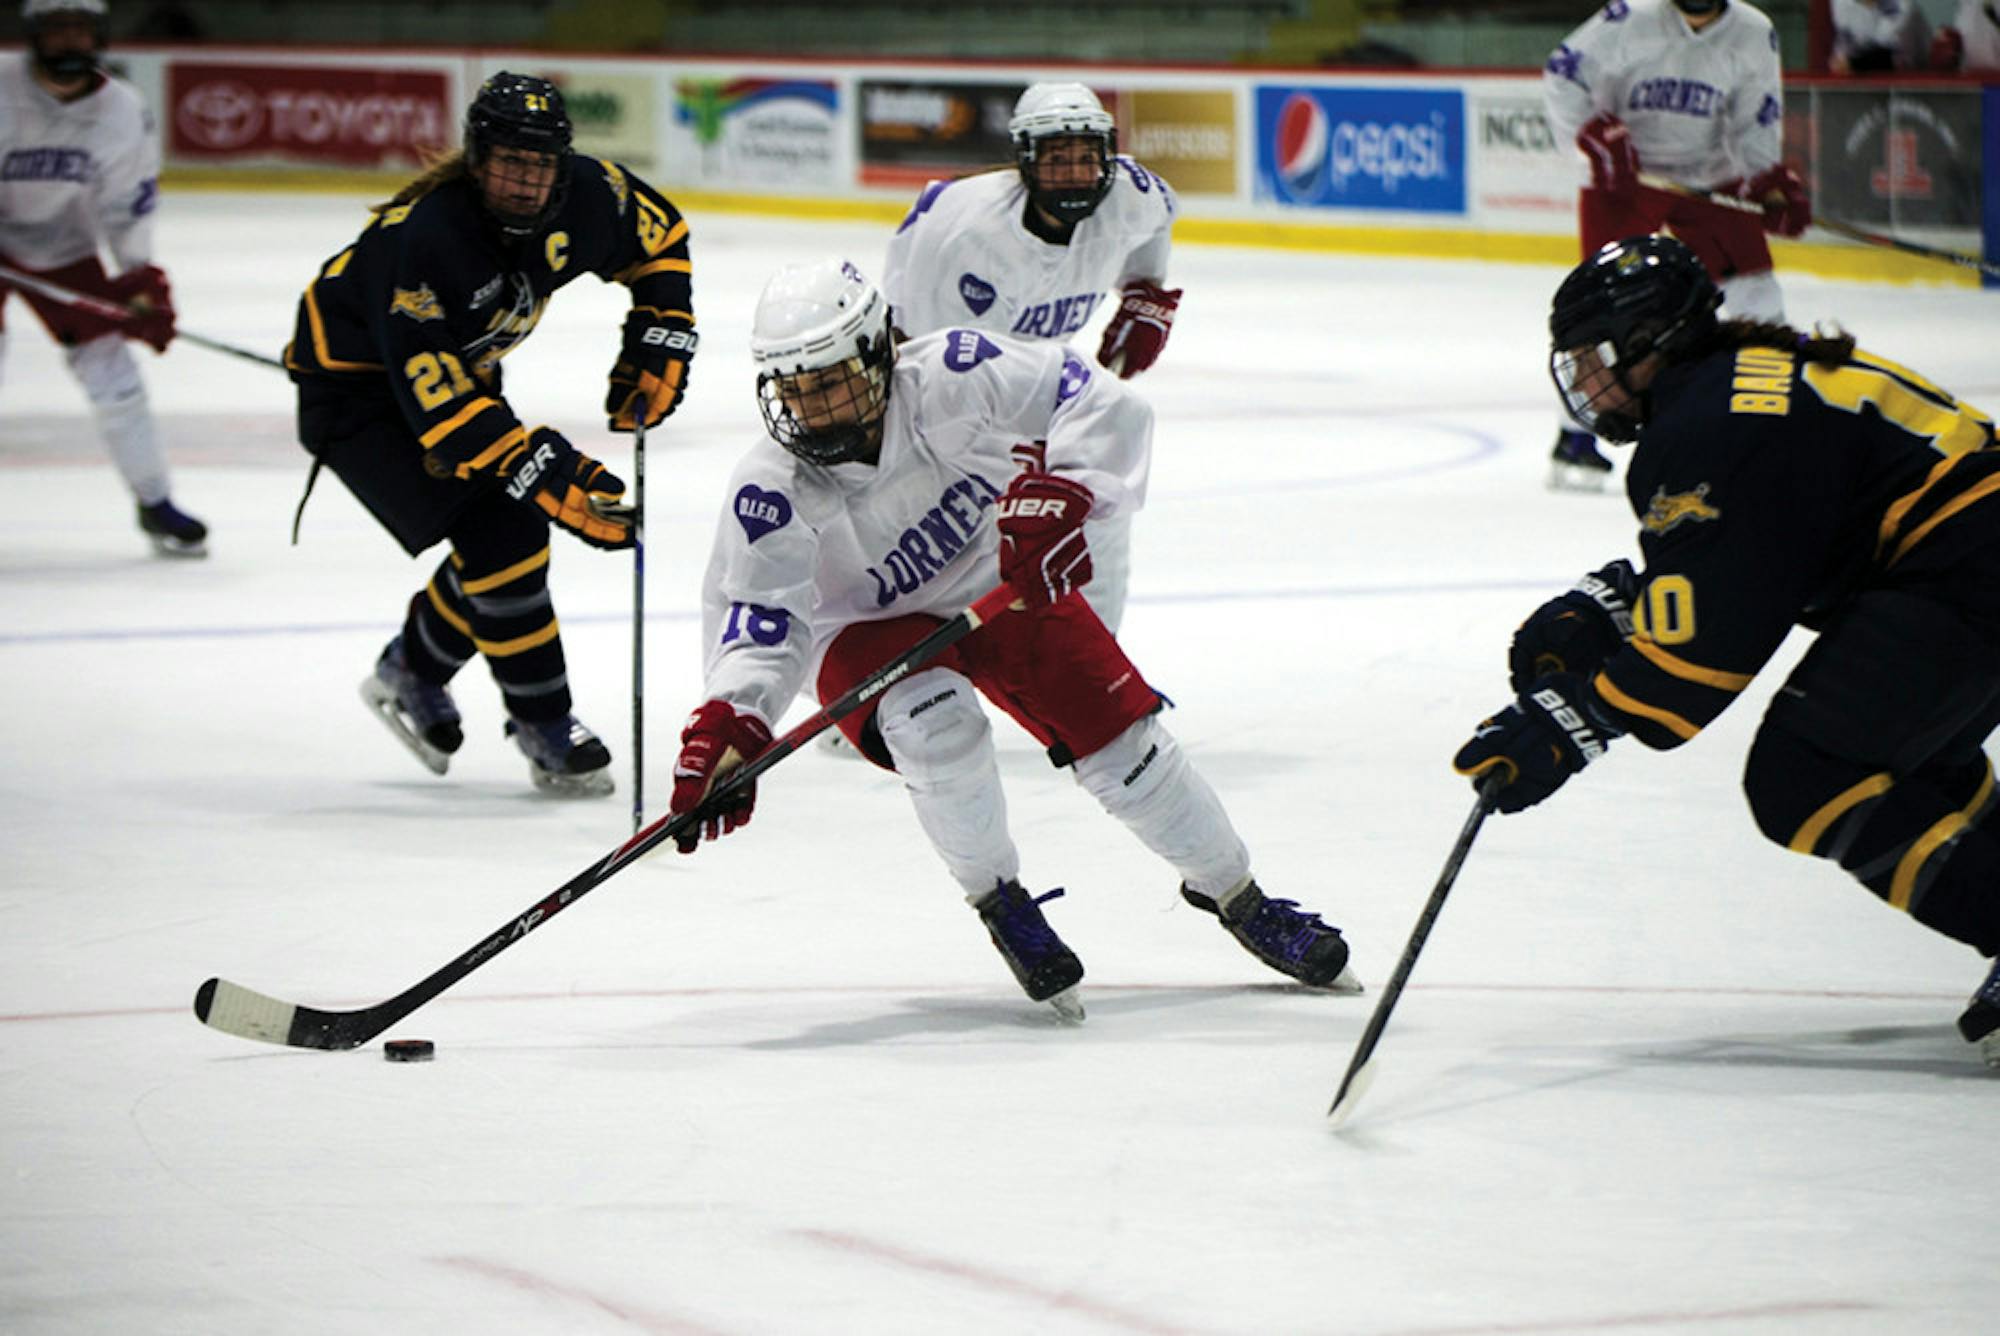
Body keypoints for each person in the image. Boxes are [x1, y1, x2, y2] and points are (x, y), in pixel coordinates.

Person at [665, 257, 1353, 1018]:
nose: (812, 408)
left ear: (877, 353)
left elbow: (1099, 402)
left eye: (827, 381)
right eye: (793, 388)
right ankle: (1001, 902)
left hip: (997, 580)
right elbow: (764, 619)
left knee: (1127, 745)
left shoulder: (957, 371)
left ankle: (1238, 894)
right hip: (863, 630)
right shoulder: (772, 488)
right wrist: (735, 721)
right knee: (936, 728)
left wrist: (1071, 492)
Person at [1452, 235, 2000, 1068]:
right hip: (1967, 556)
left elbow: (1703, 660)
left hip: (1966, 564)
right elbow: (1756, 562)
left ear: (1646, 343)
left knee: (1804, 774)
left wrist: (1571, 720)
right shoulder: (1737, 383)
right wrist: (1615, 609)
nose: (1585, 380)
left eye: (1593, 358)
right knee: (1907, 759)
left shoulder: (1711, 422)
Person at [285, 72, 696, 796]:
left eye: (540, 164)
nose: (525, 181)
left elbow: (659, 237)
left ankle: (411, 670)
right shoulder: (427, 242)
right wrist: (546, 471)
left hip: (454, 369)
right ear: (477, 160)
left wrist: (661, 332)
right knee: (506, 534)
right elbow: (439, 411)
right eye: (509, 162)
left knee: (500, 536)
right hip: (358, 398)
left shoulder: (590, 192)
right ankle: (542, 722)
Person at [880, 81, 1178, 635]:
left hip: (1038, 379)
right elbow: (921, 360)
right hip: (939, 379)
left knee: (1102, 506)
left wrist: (1146, 293)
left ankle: (1096, 674)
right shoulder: (964, 235)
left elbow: (1157, 218)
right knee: (939, 547)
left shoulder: (1134, 197)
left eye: (1087, 158)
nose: (1073, 173)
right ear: (1025, 161)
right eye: (1057, 159)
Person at [1542, 0, 1810, 491]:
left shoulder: (1754, 32)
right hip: (1627, 178)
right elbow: (1563, 72)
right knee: (1602, 311)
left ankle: (1775, 409)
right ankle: (1575, 436)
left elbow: (1757, 117)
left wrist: (1765, 181)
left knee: (1755, 288)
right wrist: (1590, 136)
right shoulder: (1630, 17)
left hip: (1708, 175)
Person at [0, 0, 205, 556]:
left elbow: (126, 205)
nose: (70, 42)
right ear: (34, 35)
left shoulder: (120, 110)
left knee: (113, 373)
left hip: (64, 250)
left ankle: (155, 500)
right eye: (57, 29)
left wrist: (137, 281)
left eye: (81, 30)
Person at [1828, 0, 1932, 71]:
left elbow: (1893, 57)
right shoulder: (1841, 4)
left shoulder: (1901, 5)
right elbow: (1842, 57)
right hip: (1864, 76)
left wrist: (1853, 64)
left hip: (1913, 80)